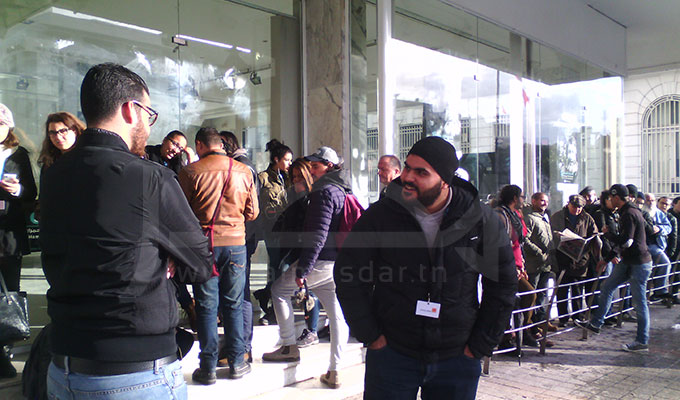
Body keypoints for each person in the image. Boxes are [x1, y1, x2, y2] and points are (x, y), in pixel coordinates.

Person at [40, 63, 213, 399]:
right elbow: (201, 263)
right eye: (149, 114)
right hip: (135, 371)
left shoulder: (54, 176)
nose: (148, 125)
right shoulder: (150, 177)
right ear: (130, 110)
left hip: (62, 367)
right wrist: (165, 260)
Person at [335, 137, 516, 400]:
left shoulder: (479, 219)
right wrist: (370, 334)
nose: (408, 177)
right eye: (408, 167)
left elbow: (502, 284)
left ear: (445, 181)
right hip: (392, 353)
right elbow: (349, 273)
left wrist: (481, 344)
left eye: (421, 172)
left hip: (457, 356)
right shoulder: (382, 215)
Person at [262, 146, 350, 389]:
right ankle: (335, 370)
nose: (312, 169)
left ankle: (288, 346)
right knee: (336, 314)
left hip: (319, 261)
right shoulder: (342, 189)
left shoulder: (324, 192)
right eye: (311, 165)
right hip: (335, 262)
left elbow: (317, 235)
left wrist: (304, 269)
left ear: (329, 166)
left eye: (316, 165)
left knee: (279, 291)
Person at [178, 127, 258, 384]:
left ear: (200, 145)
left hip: (204, 247)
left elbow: (181, 213)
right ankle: (237, 362)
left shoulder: (190, 172)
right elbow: (253, 213)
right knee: (234, 304)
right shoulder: (243, 171)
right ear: (221, 145)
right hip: (236, 245)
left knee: (206, 307)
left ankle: (208, 367)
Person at [576, 184, 653, 352]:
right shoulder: (629, 212)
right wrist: (607, 259)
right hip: (630, 260)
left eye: (611, 198)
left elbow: (627, 241)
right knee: (607, 287)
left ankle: (642, 341)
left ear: (617, 198)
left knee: (639, 302)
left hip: (638, 263)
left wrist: (608, 234)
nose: (610, 201)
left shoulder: (629, 213)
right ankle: (596, 323)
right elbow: (625, 243)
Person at [217, 130, 261, 366]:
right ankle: (239, 346)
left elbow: (251, 209)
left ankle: (243, 347)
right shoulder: (243, 165)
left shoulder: (242, 167)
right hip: (241, 238)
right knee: (236, 293)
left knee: (240, 294)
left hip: (240, 239)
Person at [0, 103, 38, 379]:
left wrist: (18, 189)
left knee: (8, 293)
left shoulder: (18, 154)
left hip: (8, 234)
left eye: (1, 124)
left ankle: (4, 354)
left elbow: (31, 193)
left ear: (9, 127)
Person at [271, 158, 321, 347]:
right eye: (294, 176)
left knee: (306, 289)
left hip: (307, 249)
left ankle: (309, 331)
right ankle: (305, 332)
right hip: (293, 247)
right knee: (288, 285)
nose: (296, 179)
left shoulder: (313, 196)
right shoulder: (294, 194)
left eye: (300, 176)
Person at [494, 185, 538, 348]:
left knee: (529, 295)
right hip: (504, 267)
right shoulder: (500, 215)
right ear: (514, 198)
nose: (523, 200)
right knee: (507, 302)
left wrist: (521, 265)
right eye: (522, 197)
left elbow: (519, 242)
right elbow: (501, 245)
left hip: (516, 265)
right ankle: (506, 339)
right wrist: (512, 267)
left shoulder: (514, 214)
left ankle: (523, 331)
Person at [255, 139, 293, 325]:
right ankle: (272, 307)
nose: (289, 163)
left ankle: (266, 294)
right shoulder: (263, 178)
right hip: (272, 230)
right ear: (276, 159)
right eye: (286, 160)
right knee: (276, 267)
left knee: (283, 268)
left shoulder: (290, 177)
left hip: (289, 229)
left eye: (290, 160)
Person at [550, 195, 601, 326]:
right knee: (562, 289)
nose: (577, 210)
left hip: (580, 259)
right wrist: (559, 236)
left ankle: (577, 316)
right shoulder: (558, 216)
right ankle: (563, 318)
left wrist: (588, 242)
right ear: (568, 204)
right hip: (562, 257)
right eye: (574, 206)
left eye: (580, 207)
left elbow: (594, 234)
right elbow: (551, 232)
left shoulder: (587, 218)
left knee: (577, 289)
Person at [523, 192, 557, 335]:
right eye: (542, 200)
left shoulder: (545, 217)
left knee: (543, 294)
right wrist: (539, 253)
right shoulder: (529, 218)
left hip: (546, 263)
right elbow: (525, 239)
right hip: (534, 264)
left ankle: (541, 320)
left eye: (546, 201)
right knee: (533, 294)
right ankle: (531, 326)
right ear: (534, 201)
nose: (545, 203)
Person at [643, 193, 672, 301]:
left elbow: (668, 227)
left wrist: (659, 229)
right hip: (643, 245)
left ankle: (660, 290)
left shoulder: (658, 213)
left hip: (656, 245)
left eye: (652, 200)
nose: (650, 203)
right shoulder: (640, 212)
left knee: (665, 263)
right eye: (648, 200)